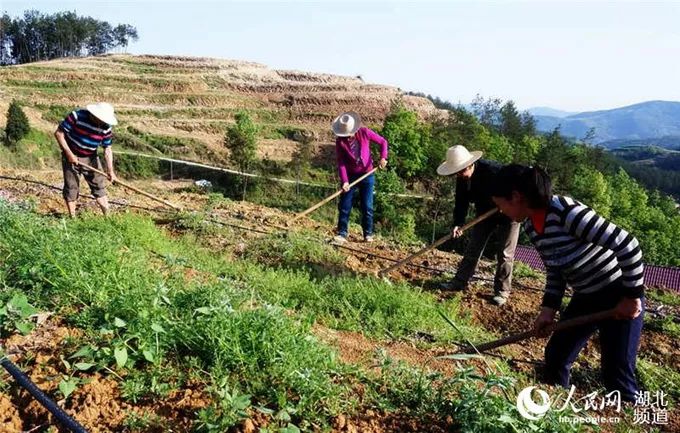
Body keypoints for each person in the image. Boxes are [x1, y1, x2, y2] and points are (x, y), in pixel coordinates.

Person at [490, 164, 644, 401]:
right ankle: (557, 412)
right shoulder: (531, 224)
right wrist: (547, 310)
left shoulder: (565, 212)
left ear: (516, 197)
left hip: (618, 293)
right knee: (556, 356)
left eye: (502, 205)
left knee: (617, 371)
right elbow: (555, 269)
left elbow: (628, 245)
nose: (502, 212)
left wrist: (631, 297)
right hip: (586, 296)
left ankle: (630, 414)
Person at [436, 145, 520, 306]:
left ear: (469, 165)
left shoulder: (494, 171)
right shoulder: (462, 179)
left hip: (509, 214)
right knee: (473, 248)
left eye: (461, 171)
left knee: (505, 253)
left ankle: (502, 291)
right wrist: (458, 223)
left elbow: (518, 184)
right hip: (484, 214)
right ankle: (459, 282)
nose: (459, 175)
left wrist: (508, 202)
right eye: (456, 173)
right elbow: (461, 203)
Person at [331, 111, 388, 244]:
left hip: (367, 174)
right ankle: (342, 233)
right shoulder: (340, 142)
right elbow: (341, 162)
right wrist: (345, 181)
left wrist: (383, 158)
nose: (348, 135)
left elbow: (383, 142)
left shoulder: (364, 132)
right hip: (350, 176)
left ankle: (368, 234)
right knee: (345, 205)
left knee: (367, 205)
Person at [54, 102, 118, 217]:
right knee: (71, 187)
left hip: (90, 157)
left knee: (99, 186)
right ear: (95, 115)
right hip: (71, 155)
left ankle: (108, 217)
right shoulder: (77, 116)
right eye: (101, 119)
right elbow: (59, 133)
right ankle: (72, 218)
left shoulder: (106, 128)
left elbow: (107, 149)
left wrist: (110, 171)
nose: (102, 123)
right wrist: (69, 154)